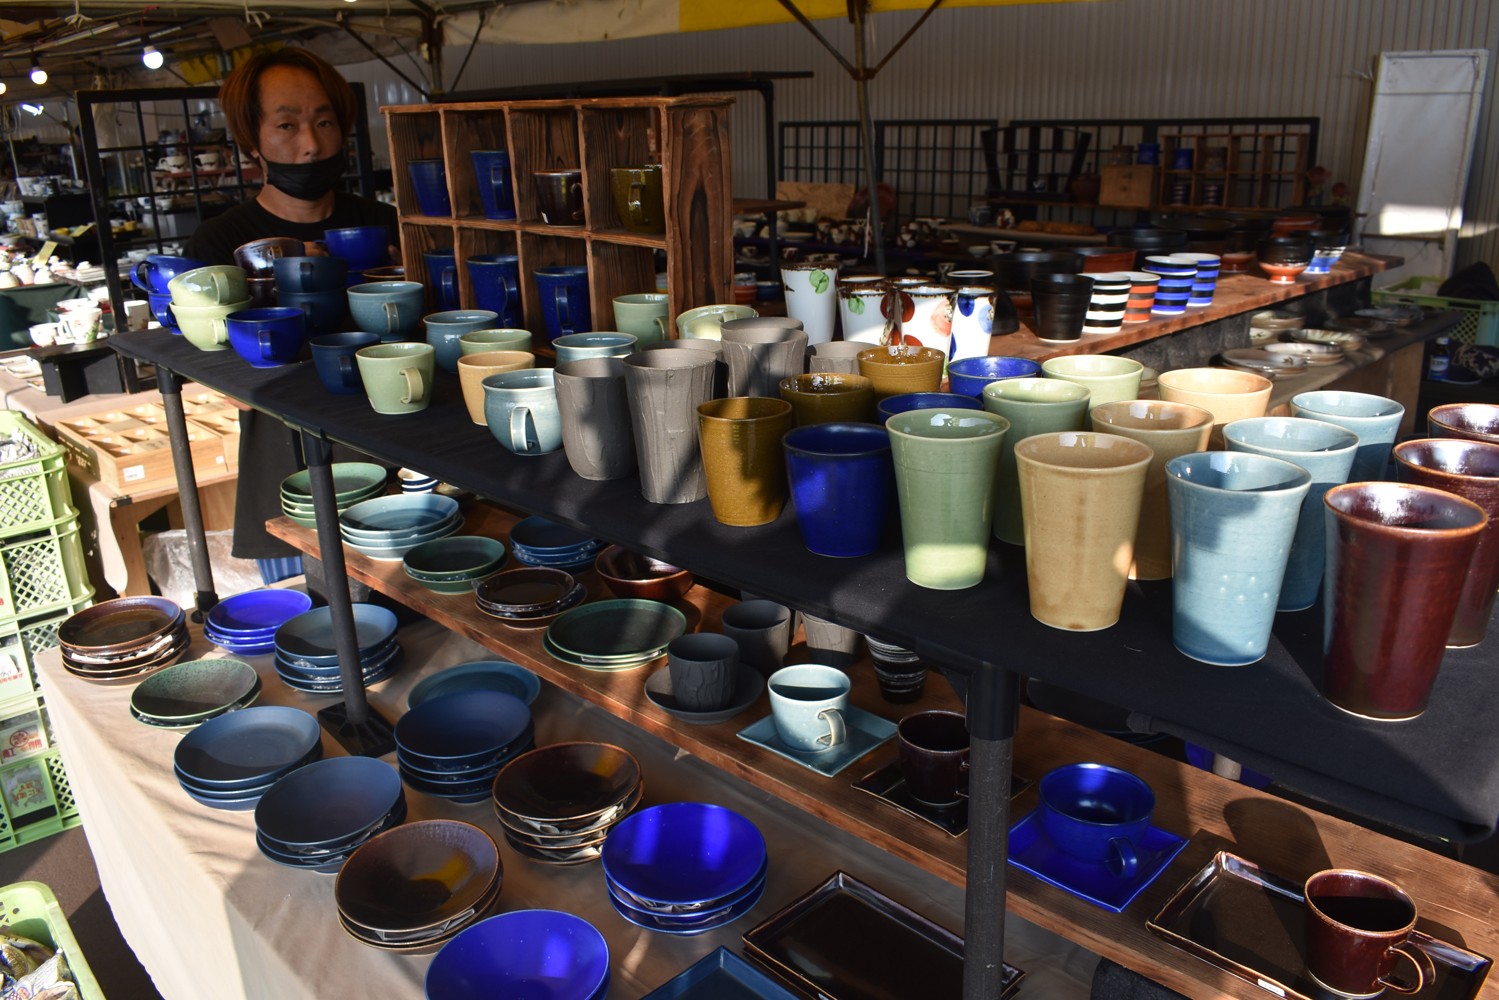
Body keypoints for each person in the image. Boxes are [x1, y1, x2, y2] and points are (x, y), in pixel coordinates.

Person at [185, 49, 397, 566]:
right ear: (250, 142)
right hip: (287, 463)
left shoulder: (385, 226)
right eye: (286, 125)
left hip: (394, 445)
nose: (311, 144)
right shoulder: (221, 244)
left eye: (324, 122)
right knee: (306, 605)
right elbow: (219, 383)